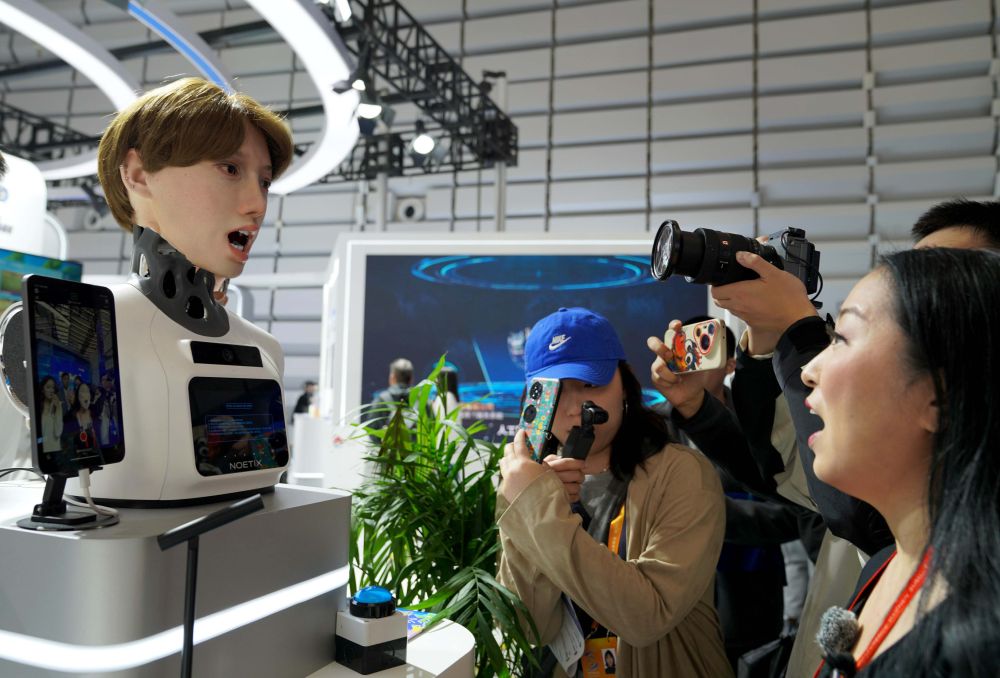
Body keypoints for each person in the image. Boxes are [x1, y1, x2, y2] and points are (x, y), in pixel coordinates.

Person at [497, 307, 732, 678]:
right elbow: (527, 628)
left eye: (590, 384)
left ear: (625, 384)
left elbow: (647, 617)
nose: (575, 409)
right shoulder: (530, 484)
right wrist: (532, 505)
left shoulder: (683, 473)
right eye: (555, 390)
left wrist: (540, 511)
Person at [802, 247, 1000, 676]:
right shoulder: (884, 566)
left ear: (938, 398)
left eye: (841, 338)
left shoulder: (980, 645)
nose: (810, 370)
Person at [97, 77, 293, 282]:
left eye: (265, 183)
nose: (259, 205)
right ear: (139, 174)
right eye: (230, 169)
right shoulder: (89, 303)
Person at [360, 357, 414, 432]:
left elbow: (371, 430)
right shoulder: (421, 400)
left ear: (392, 377)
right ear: (411, 379)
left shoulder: (381, 400)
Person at [38, 376, 63, 454]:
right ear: (42, 390)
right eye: (48, 387)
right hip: (43, 451)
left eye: (53, 388)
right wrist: (42, 441)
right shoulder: (39, 407)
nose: (51, 390)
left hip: (56, 449)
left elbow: (58, 432)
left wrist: (58, 408)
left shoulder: (58, 406)